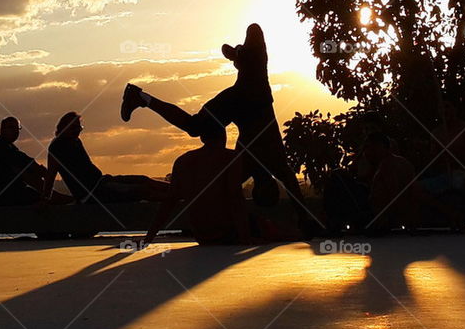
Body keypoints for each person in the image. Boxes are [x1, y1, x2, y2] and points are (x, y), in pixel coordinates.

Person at [120, 23, 317, 234]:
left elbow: (217, 190)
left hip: (240, 98)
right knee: (195, 126)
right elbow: (294, 195)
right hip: (251, 93)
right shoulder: (272, 161)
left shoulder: (247, 166)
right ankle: (141, 97)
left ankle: (141, 97)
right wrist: (305, 221)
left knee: (195, 127)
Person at [145, 120, 253, 245]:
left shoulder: (182, 161)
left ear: (202, 138)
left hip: (201, 235)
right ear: (224, 136)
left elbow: (169, 202)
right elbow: (235, 197)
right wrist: (246, 238)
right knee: (273, 229)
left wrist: (148, 239)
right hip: (227, 232)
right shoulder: (231, 157)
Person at [43, 112, 173, 205]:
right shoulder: (57, 147)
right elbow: (51, 175)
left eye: (79, 127)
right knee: (142, 191)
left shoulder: (75, 141)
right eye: (74, 128)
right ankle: (178, 197)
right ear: (63, 127)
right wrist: (45, 199)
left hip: (102, 182)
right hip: (94, 192)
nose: (78, 130)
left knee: (144, 179)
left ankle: (179, 189)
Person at [0, 117, 72, 207]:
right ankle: (51, 196)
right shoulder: (0, 147)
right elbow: (26, 162)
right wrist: (45, 173)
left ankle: (51, 195)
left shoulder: (6, 146)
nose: (15, 131)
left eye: (17, 128)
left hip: (4, 194)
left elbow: (24, 161)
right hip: (1, 195)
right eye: (11, 128)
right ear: (2, 129)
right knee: (28, 175)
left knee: (27, 174)